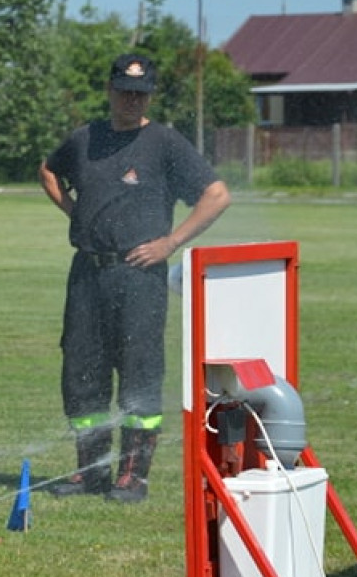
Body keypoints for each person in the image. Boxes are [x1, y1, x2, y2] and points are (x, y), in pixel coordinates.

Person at [39, 53, 231, 503]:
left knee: (139, 373)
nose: (130, 99)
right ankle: (91, 470)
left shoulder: (164, 143)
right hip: (88, 272)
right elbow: (49, 171)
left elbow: (217, 195)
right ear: (109, 90)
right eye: (123, 90)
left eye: (139, 93)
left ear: (149, 96)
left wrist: (170, 243)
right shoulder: (85, 139)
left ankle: (133, 475)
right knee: (82, 372)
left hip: (138, 277)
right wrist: (75, 213)